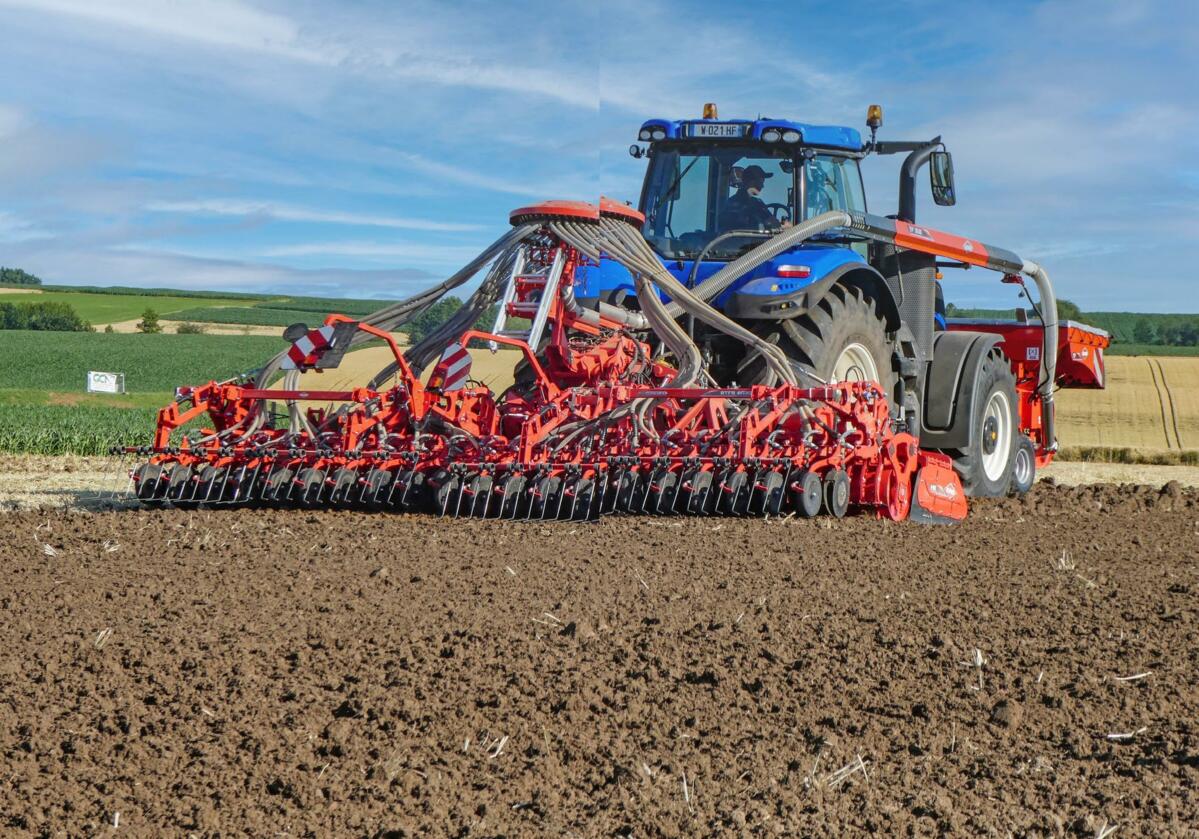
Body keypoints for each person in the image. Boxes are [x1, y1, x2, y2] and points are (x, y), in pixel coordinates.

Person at [722, 164, 785, 231]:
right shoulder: (755, 203)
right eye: (761, 182)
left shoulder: (730, 201)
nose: (762, 186)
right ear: (752, 181)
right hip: (752, 241)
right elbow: (774, 224)